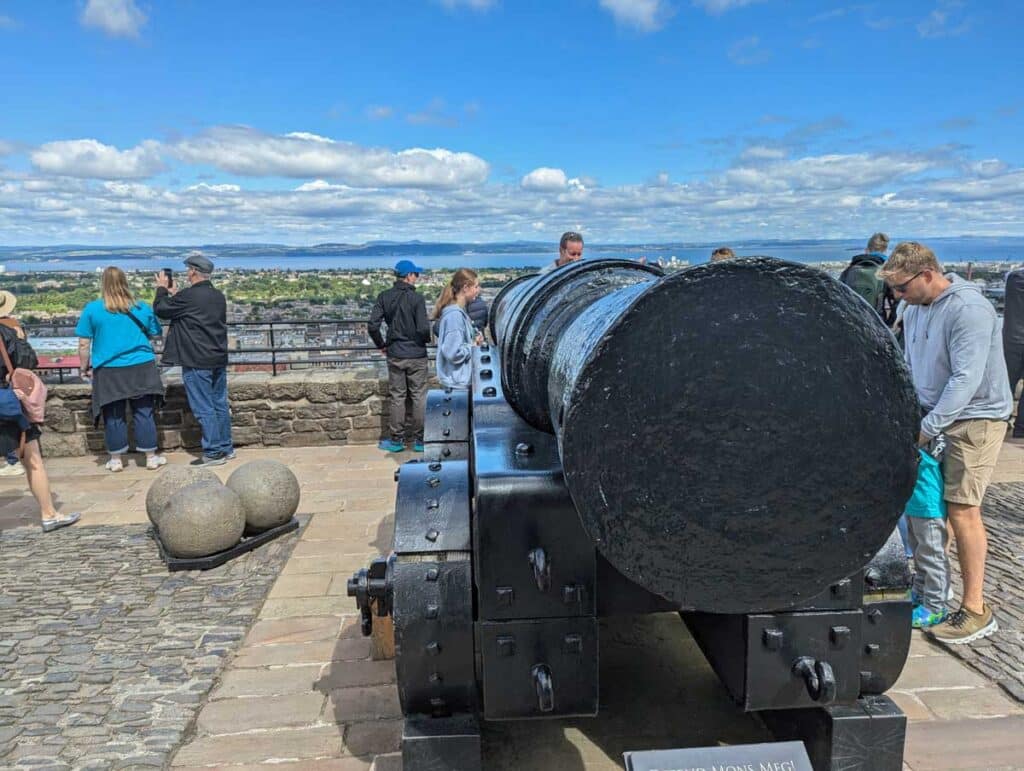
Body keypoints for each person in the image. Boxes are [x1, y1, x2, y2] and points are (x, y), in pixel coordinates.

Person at [880, 241, 1010, 644]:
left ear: (927, 275)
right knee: (933, 509)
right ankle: (936, 592)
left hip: (975, 419)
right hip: (933, 415)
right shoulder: (912, 307)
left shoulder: (968, 310)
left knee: (962, 510)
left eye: (901, 288)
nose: (896, 297)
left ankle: (975, 609)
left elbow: (965, 381)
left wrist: (927, 427)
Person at [76, 267, 166, 472]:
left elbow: (83, 344)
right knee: (144, 411)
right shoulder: (142, 308)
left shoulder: (92, 309)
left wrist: (83, 368)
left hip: (109, 369)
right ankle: (150, 457)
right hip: (141, 366)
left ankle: (116, 459)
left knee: (113, 414)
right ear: (125, 282)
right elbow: (155, 333)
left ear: (103, 283)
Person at [154, 253, 235, 466]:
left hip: (197, 359)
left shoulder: (189, 297)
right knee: (219, 403)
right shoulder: (218, 295)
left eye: (187, 270)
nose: (186, 274)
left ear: (193, 271)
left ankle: (214, 452)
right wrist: (176, 295)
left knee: (203, 407)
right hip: (217, 357)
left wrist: (162, 289)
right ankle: (226, 447)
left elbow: (162, 310)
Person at [0, 323, 81, 532]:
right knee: (33, 461)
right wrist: (19, 338)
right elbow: (27, 362)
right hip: (6, 408)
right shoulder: (5, 333)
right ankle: (49, 514)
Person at [367, 259, 431, 453]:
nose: (417, 278)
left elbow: (372, 326)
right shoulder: (417, 299)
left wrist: (382, 345)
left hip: (395, 352)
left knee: (397, 397)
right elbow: (423, 328)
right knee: (419, 396)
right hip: (416, 353)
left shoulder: (384, 297)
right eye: (416, 274)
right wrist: (424, 340)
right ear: (409, 276)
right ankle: (420, 440)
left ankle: (397, 440)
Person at [905, 437, 950, 629]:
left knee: (932, 557)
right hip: (914, 506)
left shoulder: (930, 446)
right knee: (919, 555)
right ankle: (919, 594)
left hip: (929, 509)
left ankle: (935, 606)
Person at [433, 269, 483, 389]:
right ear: (465, 288)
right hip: (457, 383)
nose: (479, 290)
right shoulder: (454, 316)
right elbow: (453, 353)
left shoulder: (458, 313)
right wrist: (473, 345)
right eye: (476, 286)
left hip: (458, 381)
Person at [839, 232, 897, 325]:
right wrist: (889, 323)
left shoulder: (849, 271)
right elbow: (897, 299)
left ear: (867, 250)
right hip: (876, 323)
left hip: (851, 322)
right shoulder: (885, 272)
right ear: (885, 250)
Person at [0, 290, 27, 477]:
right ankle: (16, 456)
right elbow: (25, 358)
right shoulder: (14, 325)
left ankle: (12, 459)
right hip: (10, 381)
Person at [1002, 266, 1024, 438]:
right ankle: (1021, 428)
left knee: (1005, 384)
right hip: (1015, 338)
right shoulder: (1017, 278)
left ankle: (1001, 420)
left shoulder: (1013, 278)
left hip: (1011, 338)